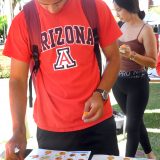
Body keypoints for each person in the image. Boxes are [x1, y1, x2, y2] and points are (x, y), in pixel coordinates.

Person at [3, 0, 122, 159]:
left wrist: (101, 93)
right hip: (52, 130)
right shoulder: (24, 20)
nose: (52, 9)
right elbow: (17, 79)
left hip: (98, 125)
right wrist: (18, 130)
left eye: (58, 2)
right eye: (45, 5)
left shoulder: (94, 7)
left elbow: (114, 58)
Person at [112, 0, 157, 158]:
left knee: (131, 127)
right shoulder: (120, 25)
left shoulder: (146, 30)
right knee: (136, 122)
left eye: (119, 10)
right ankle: (151, 155)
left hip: (137, 85)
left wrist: (132, 55)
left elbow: (153, 62)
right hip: (118, 84)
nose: (117, 14)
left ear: (130, 7)